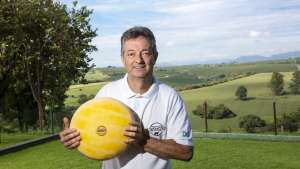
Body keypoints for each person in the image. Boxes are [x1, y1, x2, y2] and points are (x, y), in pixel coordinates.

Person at [59, 26, 193, 169]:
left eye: (145, 53)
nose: (138, 60)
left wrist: (143, 140)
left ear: (155, 56)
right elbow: (95, 146)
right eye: (131, 54)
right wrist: (75, 141)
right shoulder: (107, 93)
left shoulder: (170, 96)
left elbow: (185, 152)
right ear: (123, 59)